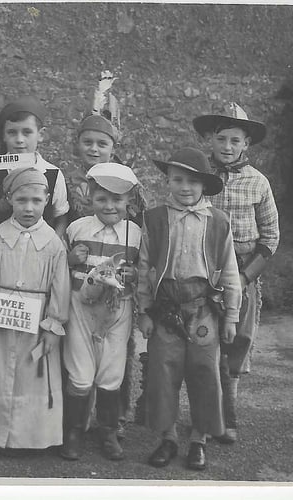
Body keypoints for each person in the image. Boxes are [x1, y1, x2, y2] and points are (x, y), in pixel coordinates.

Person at [137, 147, 241, 471]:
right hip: (166, 309)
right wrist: (144, 310)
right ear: (167, 180)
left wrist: (232, 316)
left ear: (204, 185)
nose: (185, 187)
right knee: (162, 373)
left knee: (204, 374)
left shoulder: (219, 222)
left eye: (193, 182)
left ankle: (199, 439)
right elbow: (143, 268)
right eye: (178, 179)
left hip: (203, 311)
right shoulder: (153, 219)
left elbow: (230, 271)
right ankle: (167, 437)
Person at [0, 167, 70, 458]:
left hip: (35, 325)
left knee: (31, 376)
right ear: (10, 199)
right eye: (22, 200)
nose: (28, 207)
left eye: (36, 201)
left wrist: (53, 326)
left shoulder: (52, 245)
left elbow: (60, 287)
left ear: (47, 200)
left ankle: (32, 437)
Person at [193, 103, 279, 444]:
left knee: (235, 343)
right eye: (221, 139)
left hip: (242, 275)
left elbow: (270, 238)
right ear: (209, 141)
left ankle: (229, 414)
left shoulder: (258, 183)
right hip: (203, 274)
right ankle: (206, 418)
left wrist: (243, 279)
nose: (227, 147)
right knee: (204, 343)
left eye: (235, 141)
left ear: (246, 145)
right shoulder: (198, 176)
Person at [60, 163, 141, 461]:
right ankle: (73, 431)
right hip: (82, 307)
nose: (109, 206)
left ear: (128, 201)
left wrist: (134, 275)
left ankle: (107, 430)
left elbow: (143, 271)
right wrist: (70, 258)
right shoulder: (77, 228)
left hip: (118, 310)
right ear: (91, 198)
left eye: (117, 200)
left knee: (111, 371)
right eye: (102, 199)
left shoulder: (135, 234)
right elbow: (59, 267)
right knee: (80, 372)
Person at [0, 96, 69, 242]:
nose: (19, 140)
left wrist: (53, 244)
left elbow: (60, 217)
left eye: (27, 132)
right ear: (4, 136)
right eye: (12, 132)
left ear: (40, 135)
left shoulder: (53, 174)